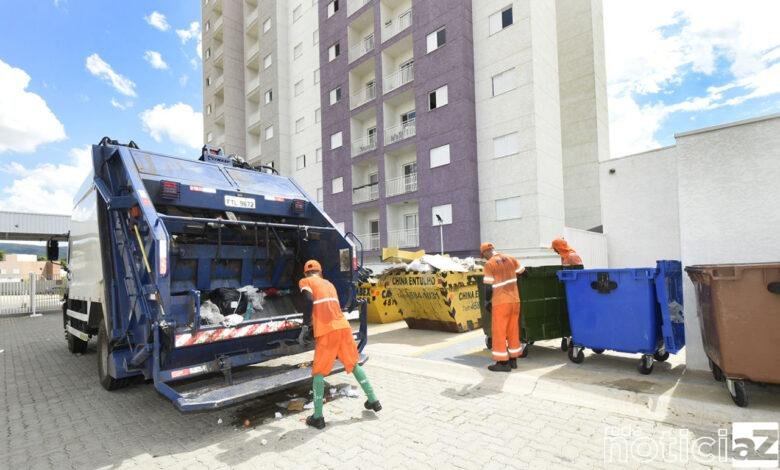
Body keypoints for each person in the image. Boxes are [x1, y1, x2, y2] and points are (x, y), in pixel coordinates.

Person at [298, 259, 381, 429]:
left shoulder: (305, 281)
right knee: (353, 363)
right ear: (321, 272)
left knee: (319, 372)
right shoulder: (329, 284)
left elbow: (307, 300)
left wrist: (306, 325)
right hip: (343, 327)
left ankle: (318, 417)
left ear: (306, 273)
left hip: (327, 332)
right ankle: (373, 400)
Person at [480, 243, 525, 372]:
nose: (484, 258)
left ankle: (502, 363)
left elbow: (488, 287)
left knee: (499, 332)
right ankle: (513, 360)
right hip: (515, 301)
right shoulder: (511, 258)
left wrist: (487, 302)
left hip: (501, 303)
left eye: (483, 256)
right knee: (513, 330)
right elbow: (523, 272)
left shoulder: (490, 264)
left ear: (486, 252)